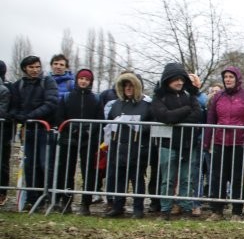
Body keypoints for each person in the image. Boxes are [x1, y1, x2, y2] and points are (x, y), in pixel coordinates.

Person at [204, 66, 244, 220]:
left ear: (237, 79)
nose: (228, 79)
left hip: (239, 143)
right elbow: (211, 119)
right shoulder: (218, 96)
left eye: (231, 77)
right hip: (220, 142)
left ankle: (236, 211)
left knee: (236, 177)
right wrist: (207, 142)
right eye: (226, 77)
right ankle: (217, 211)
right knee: (217, 176)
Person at [150, 63, 203, 219]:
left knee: (187, 179)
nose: (179, 82)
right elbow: (165, 116)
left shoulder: (189, 95)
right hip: (168, 144)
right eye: (175, 80)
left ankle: (186, 207)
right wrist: (186, 110)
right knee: (167, 179)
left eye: (181, 79)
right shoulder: (160, 97)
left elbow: (197, 115)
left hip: (188, 143)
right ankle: (165, 209)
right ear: (167, 80)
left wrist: (176, 116)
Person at [8, 56, 59, 209]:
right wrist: (16, 116)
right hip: (28, 131)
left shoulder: (48, 82)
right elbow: (14, 106)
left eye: (37, 67)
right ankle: (32, 198)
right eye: (31, 67)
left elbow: (51, 103)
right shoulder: (19, 85)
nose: (35, 70)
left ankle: (47, 197)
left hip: (45, 129)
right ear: (25, 69)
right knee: (29, 165)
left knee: (45, 164)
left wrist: (29, 116)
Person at [53, 68, 103, 215]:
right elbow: (60, 117)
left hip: (88, 140)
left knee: (88, 172)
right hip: (69, 139)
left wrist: (88, 131)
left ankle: (85, 204)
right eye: (81, 78)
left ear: (90, 82)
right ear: (77, 79)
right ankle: (66, 201)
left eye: (87, 79)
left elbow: (100, 119)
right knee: (67, 171)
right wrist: (72, 128)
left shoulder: (96, 99)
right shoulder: (67, 97)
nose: (84, 81)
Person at [103, 72, 152, 217]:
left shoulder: (146, 105)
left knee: (137, 179)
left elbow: (153, 125)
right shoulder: (116, 104)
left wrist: (138, 126)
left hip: (138, 147)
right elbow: (110, 121)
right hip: (118, 147)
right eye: (125, 85)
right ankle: (118, 206)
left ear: (137, 86)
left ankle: (138, 209)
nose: (128, 88)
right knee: (119, 178)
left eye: (131, 85)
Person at [0, 61, 12, 207]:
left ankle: (2, 192)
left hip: (3, 133)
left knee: (2, 163)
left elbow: (3, 111)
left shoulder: (4, 90)